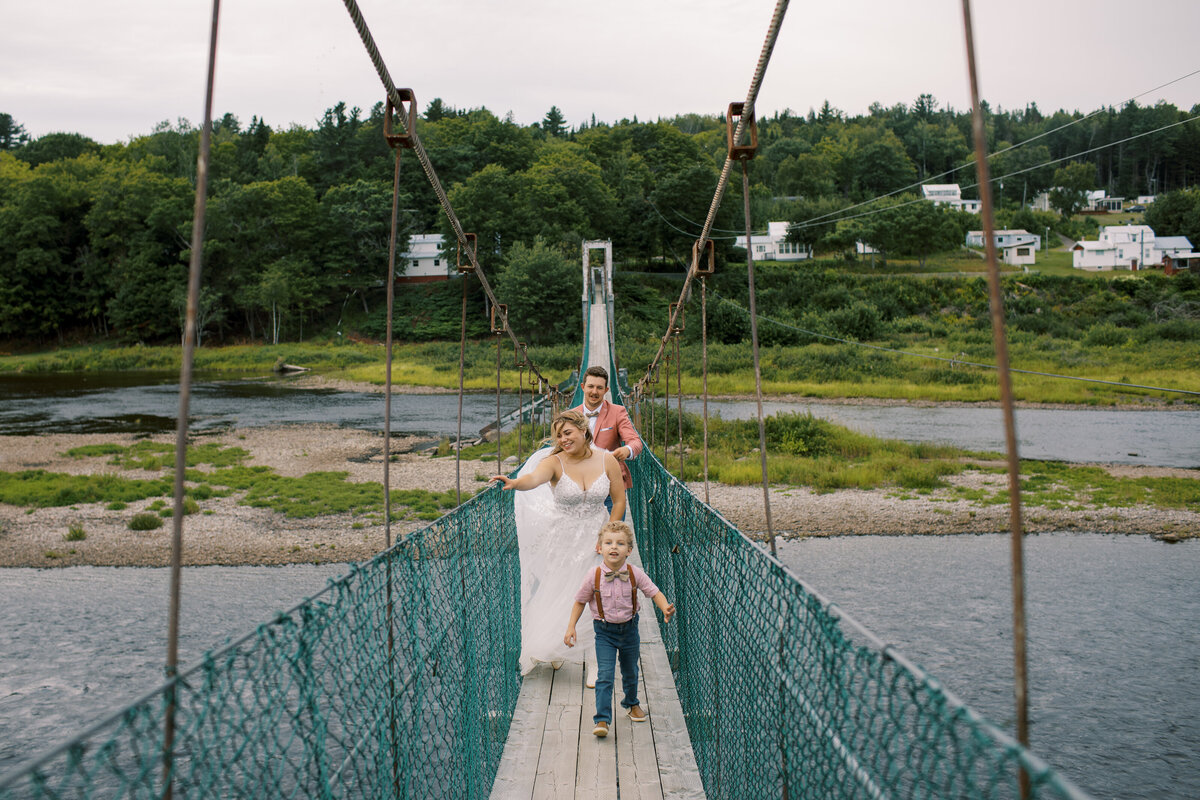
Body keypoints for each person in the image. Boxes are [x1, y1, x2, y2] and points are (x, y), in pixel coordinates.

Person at [490, 409, 626, 674]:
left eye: (567, 433)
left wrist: (609, 536)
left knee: (598, 596)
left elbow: (619, 500)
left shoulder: (607, 460)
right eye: (558, 435)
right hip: (563, 539)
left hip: (598, 537)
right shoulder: (555, 462)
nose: (563, 439)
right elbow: (534, 479)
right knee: (560, 592)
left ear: (583, 430)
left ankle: (597, 663)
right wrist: (515, 482)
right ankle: (554, 646)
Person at [563, 520, 675, 739]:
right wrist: (571, 627)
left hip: (629, 630)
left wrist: (664, 608)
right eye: (608, 543)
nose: (614, 547)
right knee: (604, 674)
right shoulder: (593, 575)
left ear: (629, 550)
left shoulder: (635, 573)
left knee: (630, 671)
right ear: (599, 548)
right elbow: (579, 601)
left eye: (620, 544)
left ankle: (631, 703)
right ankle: (602, 719)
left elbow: (654, 592)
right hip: (604, 632)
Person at [571, 365, 642, 505]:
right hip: (579, 489)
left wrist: (627, 450)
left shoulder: (617, 412)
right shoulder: (570, 416)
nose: (594, 392)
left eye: (599, 388)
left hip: (610, 488)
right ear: (582, 387)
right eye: (590, 386)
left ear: (606, 390)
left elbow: (635, 441)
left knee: (613, 527)